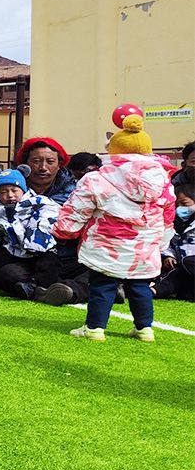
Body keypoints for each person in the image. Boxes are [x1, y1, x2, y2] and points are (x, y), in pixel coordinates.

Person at [55, 110, 173, 342]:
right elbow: (168, 214)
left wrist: (64, 230)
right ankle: (144, 329)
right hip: (144, 246)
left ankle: (95, 329)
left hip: (106, 244)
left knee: (102, 285)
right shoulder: (163, 179)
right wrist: (162, 241)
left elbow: (77, 209)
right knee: (140, 287)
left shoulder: (97, 178)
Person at [0, 169, 64, 302]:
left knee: (50, 262)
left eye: (14, 190)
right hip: (12, 249)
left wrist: (34, 241)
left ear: (23, 190)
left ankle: (34, 285)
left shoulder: (39, 203)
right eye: (3, 192)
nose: (10, 195)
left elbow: (49, 218)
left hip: (39, 249)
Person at [154, 184, 195, 300]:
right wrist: (168, 255)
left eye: (185, 204)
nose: (179, 208)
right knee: (177, 273)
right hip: (181, 266)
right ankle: (151, 291)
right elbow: (167, 242)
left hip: (190, 263)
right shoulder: (171, 223)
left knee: (188, 262)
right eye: (176, 205)